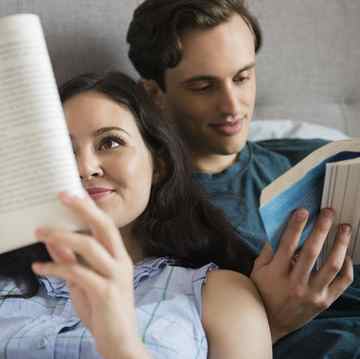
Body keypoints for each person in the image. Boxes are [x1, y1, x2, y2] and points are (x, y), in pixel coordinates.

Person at [126, 0, 360, 357]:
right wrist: (274, 321)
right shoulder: (152, 210)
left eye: (242, 77)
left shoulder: (312, 153)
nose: (233, 106)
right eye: (204, 87)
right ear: (154, 95)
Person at [0, 71, 273, 358]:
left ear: (159, 165)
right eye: (64, 151)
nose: (85, 167)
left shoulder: (219, 294)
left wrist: (119, 341)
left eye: (110, 142)